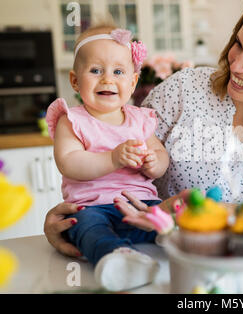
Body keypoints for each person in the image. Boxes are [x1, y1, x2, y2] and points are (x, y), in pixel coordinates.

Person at [44, 0, 243, 261]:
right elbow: (109, 161)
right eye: (238, 44)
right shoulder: (185, 89)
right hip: (141, 246)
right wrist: (78, 222)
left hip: (223, 264)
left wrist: (186, 211)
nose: (236, 64)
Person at [45, 24, 170, 291]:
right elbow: (68, 162)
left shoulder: (140, 119)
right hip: (92, 208)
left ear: (133, 82)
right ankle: (119, 259)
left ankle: (182, 246)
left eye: (118, 72)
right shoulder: (73, 120)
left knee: (166, 218)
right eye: (95, 70)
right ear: (75, 81)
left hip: (141, 205)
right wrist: (113, 159)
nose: (107, 79)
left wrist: (154, 163)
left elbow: (161, 155)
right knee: (89, 229)